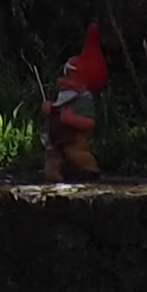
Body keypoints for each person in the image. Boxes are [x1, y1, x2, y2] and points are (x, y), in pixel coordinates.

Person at [43, 23, 106, 183]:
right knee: (52, 165)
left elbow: (89, 123)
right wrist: (50, 108)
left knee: (78, 155)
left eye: (70, 77)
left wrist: (71, 119)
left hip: (75, 144)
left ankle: (89, 172)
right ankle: (62, 174)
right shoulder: (64, 97)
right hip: (60, 143)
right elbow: (57, 112)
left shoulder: (83, 101)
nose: (63, 81)